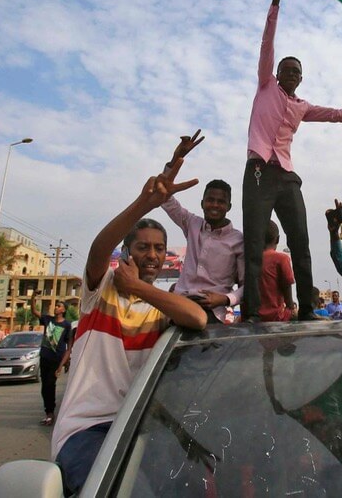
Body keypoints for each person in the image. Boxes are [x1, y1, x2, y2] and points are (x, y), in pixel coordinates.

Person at [51, 142, 208, 496]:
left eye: (159, 248)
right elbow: (98, 249)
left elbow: (197, 318)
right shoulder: (101, 288)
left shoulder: (160, 306)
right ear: (126, 252)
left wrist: (138, 287)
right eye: (142, 247)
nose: (152, 254)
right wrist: (143, 204)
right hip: (87, 429)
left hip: (140, 427)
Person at [241, 0, 342, 321]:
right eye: (286, 70)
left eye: (296, 71)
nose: (291, 74)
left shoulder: (302, 106)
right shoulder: (265, 85)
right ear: (276, 73)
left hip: (286, 176)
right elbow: (267, 43)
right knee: (254, 242)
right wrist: (276, 2)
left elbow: (339, 115)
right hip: (259, 170)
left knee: (300, 241)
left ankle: (307, 309)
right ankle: (251, 311)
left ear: (301, 78)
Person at [161, 131, 244, 324]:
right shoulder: (192, 223)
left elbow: (247, 286)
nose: (214, 205)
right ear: (202, 203)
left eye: (221, 202)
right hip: (179, 305)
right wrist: (176, 159)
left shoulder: (238, 240)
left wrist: (224, 299)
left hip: (212, 313)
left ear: (229, 207)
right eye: (210, 200)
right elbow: (164, 196)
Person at [28, 295, 72, 427]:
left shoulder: (67, 325)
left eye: (59, 306)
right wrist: (33, 297)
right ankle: (48, 411)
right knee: (44, 387)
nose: (56, 307)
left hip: (56, 359)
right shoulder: (48, 320)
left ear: (63, 310)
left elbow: (69, 348)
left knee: (50, 385)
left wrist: (61, 365)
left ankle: (50, 413)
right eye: (56, 306)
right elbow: (34, 311)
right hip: (45, 357)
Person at [257, 220, 296, 322]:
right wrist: (291, 308)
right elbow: (287, 286)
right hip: (277, 317)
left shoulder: (249, 260)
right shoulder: (282, 258)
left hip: (255, 318)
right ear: (277, 239)